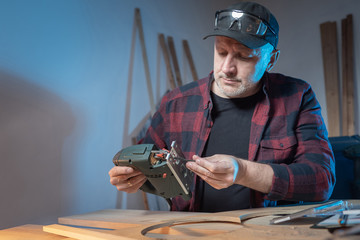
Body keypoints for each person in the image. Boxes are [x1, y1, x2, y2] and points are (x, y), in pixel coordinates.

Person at [109, 1, 336, 212]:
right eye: (221, 52)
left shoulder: (297, 96)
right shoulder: (176, 103)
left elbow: (321, 180)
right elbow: (143, 163)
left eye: (244, 56)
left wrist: (243, 172)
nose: (227, 67)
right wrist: (131, 178)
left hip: (265, 233)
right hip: (189, 233)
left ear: (271, 59)